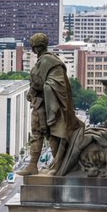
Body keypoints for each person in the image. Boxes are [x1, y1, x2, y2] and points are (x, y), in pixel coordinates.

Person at [22, 32, 82, 175]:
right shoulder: (51, 60)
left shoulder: (46, 61)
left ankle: (47, 164)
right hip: (45, 103)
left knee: (42, 133)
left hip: (44, 104)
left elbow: (38, 81)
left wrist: (32, 90)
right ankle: (46, 164)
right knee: (49, 134)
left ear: (35, 48)